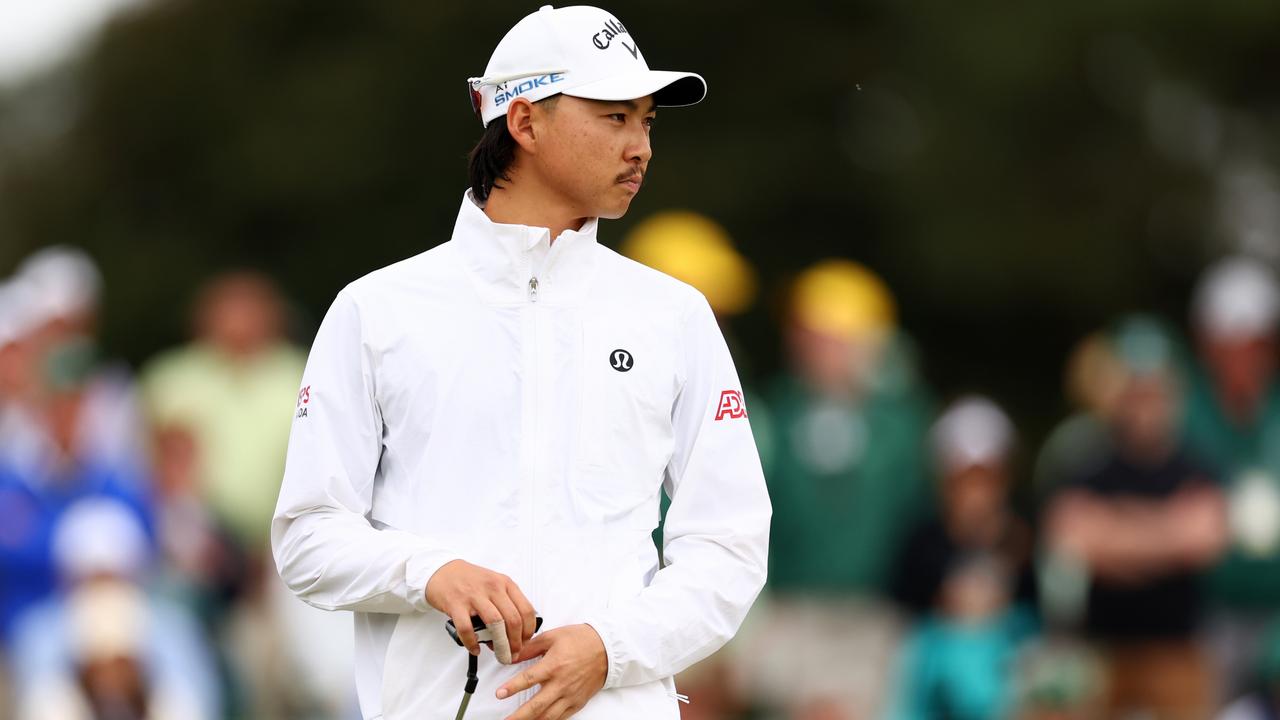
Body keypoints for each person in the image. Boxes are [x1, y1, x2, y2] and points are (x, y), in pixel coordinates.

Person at [271, 6, 771, 720]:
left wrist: (610, 645)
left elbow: (729, 546)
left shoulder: (675, 315)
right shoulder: (375, 309)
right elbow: (307, 537)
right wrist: (428, 571)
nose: (641, 148)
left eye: (647, 122)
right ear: (526, 122)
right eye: (614, 117)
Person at [1043, 316, 1227, 719]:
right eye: (1135, 390)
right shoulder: (1081, 458)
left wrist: (1114, 532)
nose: (1144, 402)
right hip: (1099, 649)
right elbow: (1071, 539)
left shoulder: (1198, 463)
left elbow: (1203, 541)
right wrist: (1165, 533)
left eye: (1154, 390)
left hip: (1176, 650)